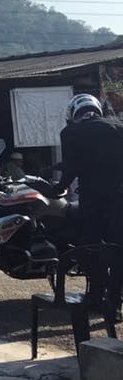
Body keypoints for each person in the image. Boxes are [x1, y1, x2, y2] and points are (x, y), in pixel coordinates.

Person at [55, 94, 123, 322]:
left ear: (74, 113)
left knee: (92, 247)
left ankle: (96, 296)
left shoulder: (70, 133)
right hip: (120, 197)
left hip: (93, 199)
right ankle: (116, 302)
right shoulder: (118, 126)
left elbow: (71, 169)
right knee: (117, 248)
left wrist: (57, 188)